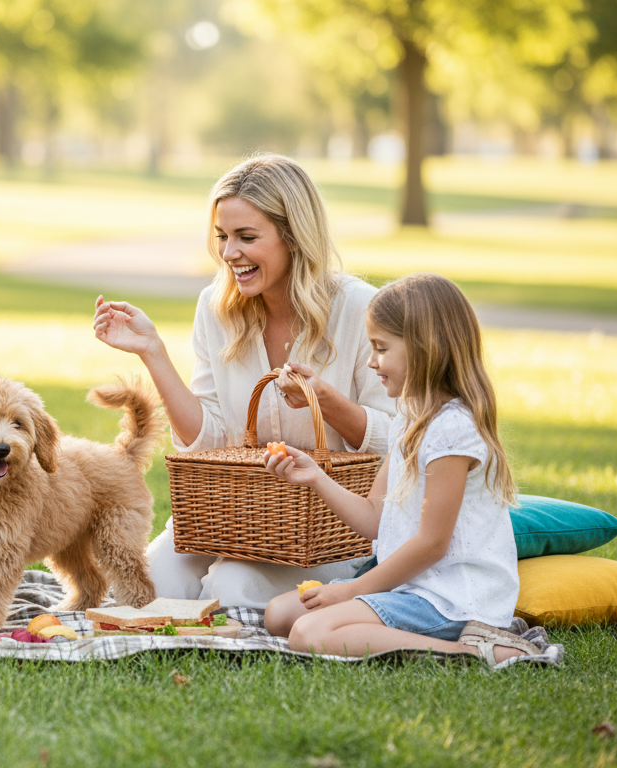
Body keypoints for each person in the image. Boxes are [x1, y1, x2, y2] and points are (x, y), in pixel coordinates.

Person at [92, 153, 394, 608]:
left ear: (293, 236)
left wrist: (326, 401)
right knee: (148, 587)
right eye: (222, 236)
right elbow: (209, 440)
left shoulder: (360, 309)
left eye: (247, 237)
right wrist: (153, 352)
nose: (229, 253)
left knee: (231, 586)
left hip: (331, 529)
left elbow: (398, 441)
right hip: (236, 516)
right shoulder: (216, 307)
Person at [263, 273, 538, 665]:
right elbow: (375, 518)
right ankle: (392, 630)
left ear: (425, 349)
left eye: (380, 348)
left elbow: (432, 544)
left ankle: (472, 651)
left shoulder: (452, 429)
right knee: (279, 615)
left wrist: (352, 590)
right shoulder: (409, 418)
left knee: (309, 633)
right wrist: (315, 477)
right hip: (412, 588)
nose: (371, 361)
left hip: (452, 599)